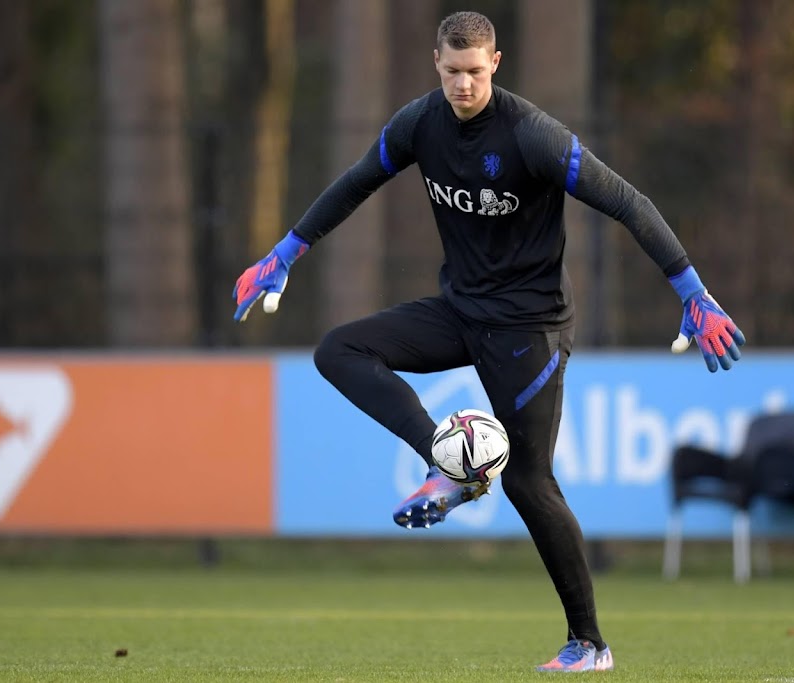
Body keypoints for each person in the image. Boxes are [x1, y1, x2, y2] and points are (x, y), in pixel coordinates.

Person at [233, 10, 744, 673]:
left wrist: (692, 292)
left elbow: (630, 202)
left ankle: (590, 642)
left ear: (495, 64)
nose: (463, 86)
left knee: (530, 483)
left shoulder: (532, 135)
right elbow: (358, 181)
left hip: (531, 326)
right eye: (452, 73)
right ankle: (446, 462)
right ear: (436, 65)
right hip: (461, 310)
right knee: (339, 349)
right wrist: (288, 249)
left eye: (475, 73)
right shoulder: (419, 123)